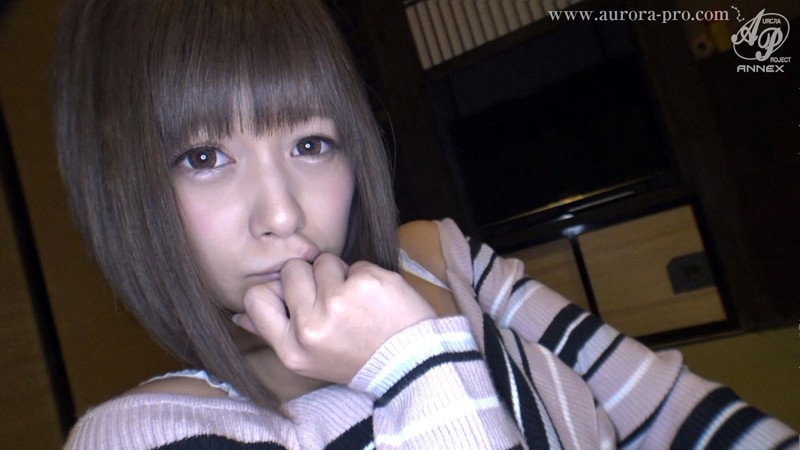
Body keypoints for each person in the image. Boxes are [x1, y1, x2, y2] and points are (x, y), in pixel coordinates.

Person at [53, 0, 796, 448]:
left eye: (311, 144)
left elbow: (671, 415)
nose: (283, 213)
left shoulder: (439, 257)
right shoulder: (152, 435)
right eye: (204, 157)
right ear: (125, 188)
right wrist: (415, 366)